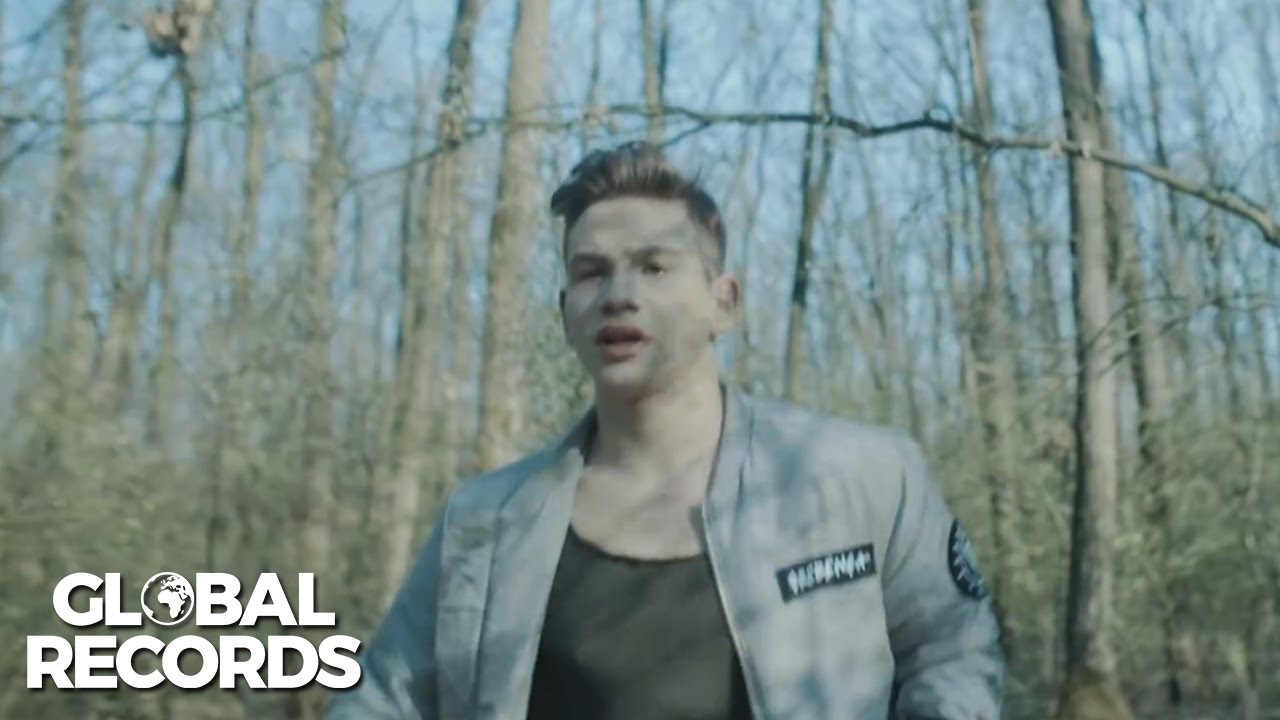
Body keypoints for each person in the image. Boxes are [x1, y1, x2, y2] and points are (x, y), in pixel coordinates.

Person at [324, 141, 1005, 719]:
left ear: (723, 303)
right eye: (591, 272)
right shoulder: (485, 524)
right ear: (565, 314)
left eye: (654, 267)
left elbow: (952, 647)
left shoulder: (860, 478)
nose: (619, 295)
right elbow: (381, 702)